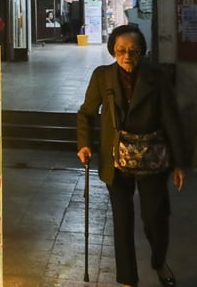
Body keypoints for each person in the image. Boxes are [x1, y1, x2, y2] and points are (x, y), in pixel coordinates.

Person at [77, 24, 186, 287]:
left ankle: (159, 261)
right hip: (116, 160)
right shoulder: (103, 77)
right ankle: (128, 280)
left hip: (152, 158)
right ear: (113, 50)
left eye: (133, 51)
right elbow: (86, 113)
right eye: (121, 50)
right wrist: (84, 144)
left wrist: (179, 163)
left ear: (142, 51)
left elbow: (171, 119)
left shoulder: (157, 77)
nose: (127, 56)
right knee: (122, 222)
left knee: (154, 217)